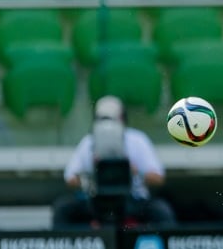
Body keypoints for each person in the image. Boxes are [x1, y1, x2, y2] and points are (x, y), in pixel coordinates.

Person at [53, 95, 177, 228]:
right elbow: (70, 177)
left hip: (132, 200)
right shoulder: (88, 142)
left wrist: (135, 171)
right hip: (96, 201)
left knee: (161, 211)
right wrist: (87, 180)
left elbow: (158, 178)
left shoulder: (137, 140)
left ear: (122, 118)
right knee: (63, 209)